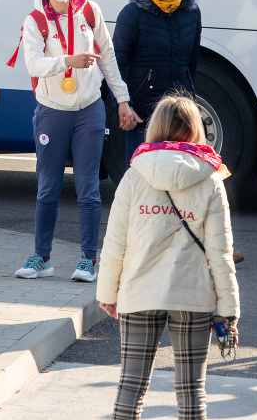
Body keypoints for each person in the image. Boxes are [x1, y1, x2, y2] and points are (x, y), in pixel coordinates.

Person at [97, 94, 240, 420]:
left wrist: (107, 292)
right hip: (193, 296)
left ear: (155, 127)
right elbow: (221, 254)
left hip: (139, 292)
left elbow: (115, 241)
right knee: (192, 391)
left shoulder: (135, 174)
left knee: (131, 387)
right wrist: (228, 309)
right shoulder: (211, 180)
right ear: (195, 129)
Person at [12, 0, 137, 282]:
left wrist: (122, 100)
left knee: (88, 188)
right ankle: (41, 257)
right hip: (52, 110)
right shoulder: (36, 20)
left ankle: (88, 260)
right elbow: (33, 65)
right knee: (48, 188)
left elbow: (107, 56)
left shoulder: (89, 10)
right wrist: (68, 60)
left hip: (89, 109)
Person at [112, 0, 202, 164]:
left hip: (179, 113)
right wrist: (126, 105)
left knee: (176, 177)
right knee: (140, 178)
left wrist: (189, 98)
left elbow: (192, 63)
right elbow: (117, 65)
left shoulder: (192, 12)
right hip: (142, 113)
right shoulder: (132, 13)